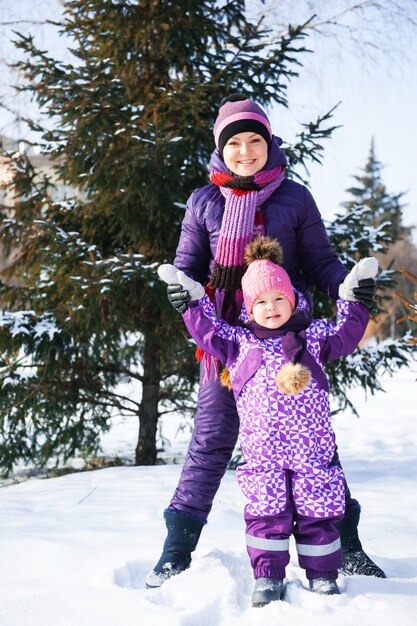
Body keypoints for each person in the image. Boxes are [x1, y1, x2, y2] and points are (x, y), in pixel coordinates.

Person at [145, 93, 385, 589]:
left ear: (269, 143)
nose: (246, 151)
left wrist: (346, 286)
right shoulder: (204, 202)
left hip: (289, 344)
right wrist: (182, 291)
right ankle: (176, 550)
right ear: (222, 148)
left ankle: (349, 546)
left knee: (316, 446)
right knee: (211, 441)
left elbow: (320, 262)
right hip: (227, 344)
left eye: (255, 140)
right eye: (236, 142)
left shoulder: (294, 197)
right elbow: (187, 267)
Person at [157, 237, 377, 605]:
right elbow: (207, 331)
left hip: (312, 453)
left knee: (318, 512)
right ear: (248, 307)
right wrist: (193, 301)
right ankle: (268, 576)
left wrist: (354, 301)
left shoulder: (315, 338)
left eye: (278, 298)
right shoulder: (240, 343)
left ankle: (323, 575)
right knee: (266, 514)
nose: (271, 307)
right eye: (260, 301)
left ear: (292, 299)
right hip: (264, 456)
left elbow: (347, 334)